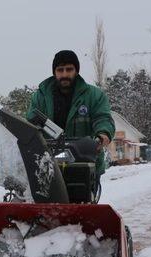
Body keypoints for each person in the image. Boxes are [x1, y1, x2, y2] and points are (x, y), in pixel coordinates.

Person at [26, 50, 115, 178]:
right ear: (54, 72)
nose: (65, 74)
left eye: (69, 69)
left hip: (85, 163)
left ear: (76, 71)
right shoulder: (40, 97)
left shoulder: (94, 96)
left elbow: (102, 118)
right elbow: (30, 123)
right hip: (48, 165)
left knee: (82, 196)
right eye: (60, 70)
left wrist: (103, 134)